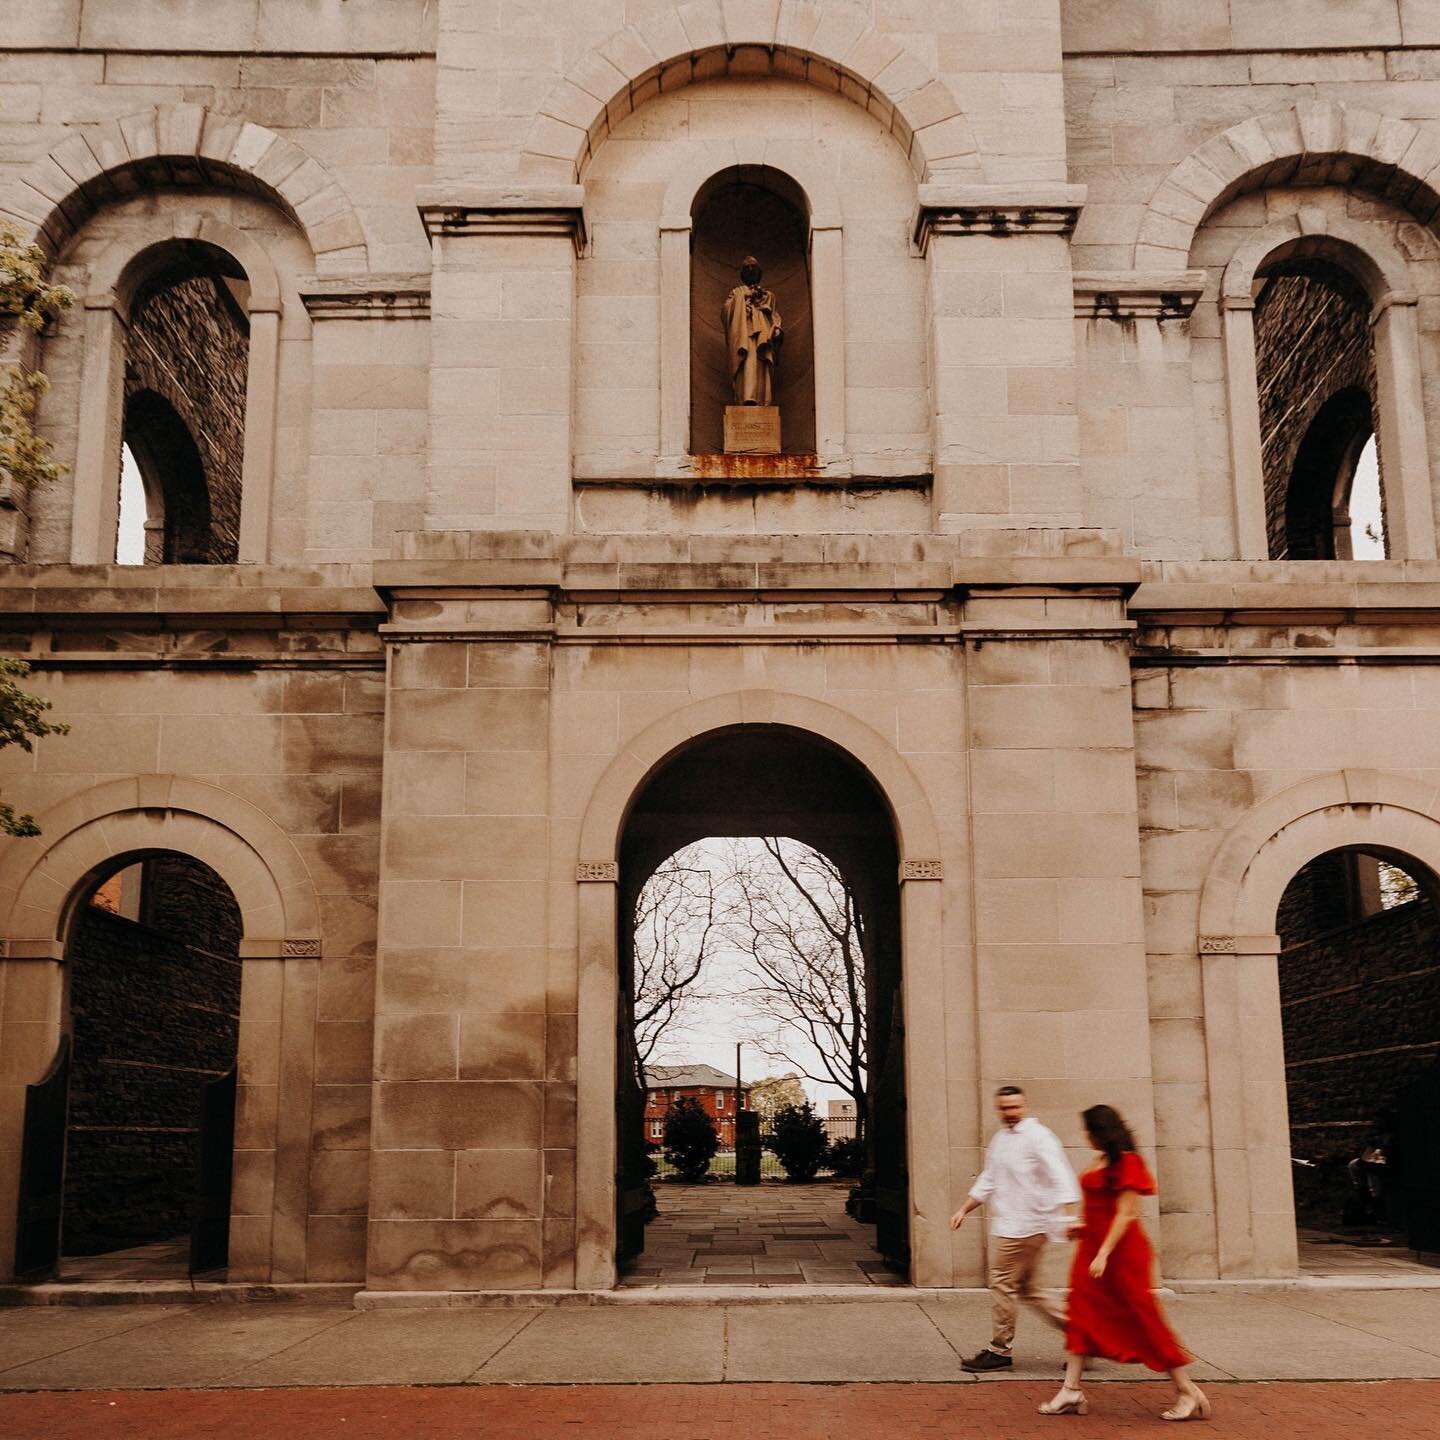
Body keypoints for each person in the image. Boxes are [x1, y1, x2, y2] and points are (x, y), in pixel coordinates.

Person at [1038, 1104, 1209, 1422]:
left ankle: (1186, 1390)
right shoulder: (1102, 1159)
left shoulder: (1128, 1162)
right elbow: (1101, 1211)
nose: (1085, 1136)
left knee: (1142, 1317)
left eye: (1087, 1131)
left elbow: (1126, 1213)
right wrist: (1083, 1229)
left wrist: (1103, 1252)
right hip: (1093, 1250)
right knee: (1080, 1313)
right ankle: (1071, 1390)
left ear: (1099, 1132)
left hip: (1120, 1254)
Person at [950, 1085, 1079, 1372]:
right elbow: (989, 1178)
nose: (1010, 1113)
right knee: (1031, 1289)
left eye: (1014, 1107)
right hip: (1012, 1224)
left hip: (1028, 1225)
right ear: (998, 1109)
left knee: (1002, 1282)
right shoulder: (1000, 1139)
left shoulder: (1038, 1137)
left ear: (1025, 1106)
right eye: (1004, 1108)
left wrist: (1069, 1217)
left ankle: (1000, 1350)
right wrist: (964, 1208)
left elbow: (1061, 1176)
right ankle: (1085, 1335)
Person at [723, 256, 782, 406]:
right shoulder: (737, 292)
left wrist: (777, 329)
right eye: (747, 268)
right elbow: (725, 313)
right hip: (744, 335)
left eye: (753, 267)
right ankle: (746, 398)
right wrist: (742, 299)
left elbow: (774, 316)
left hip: (763, 337)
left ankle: (763, 399)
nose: (750, 270)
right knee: (747, 364)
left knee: (761, 367)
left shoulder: (768, 296)